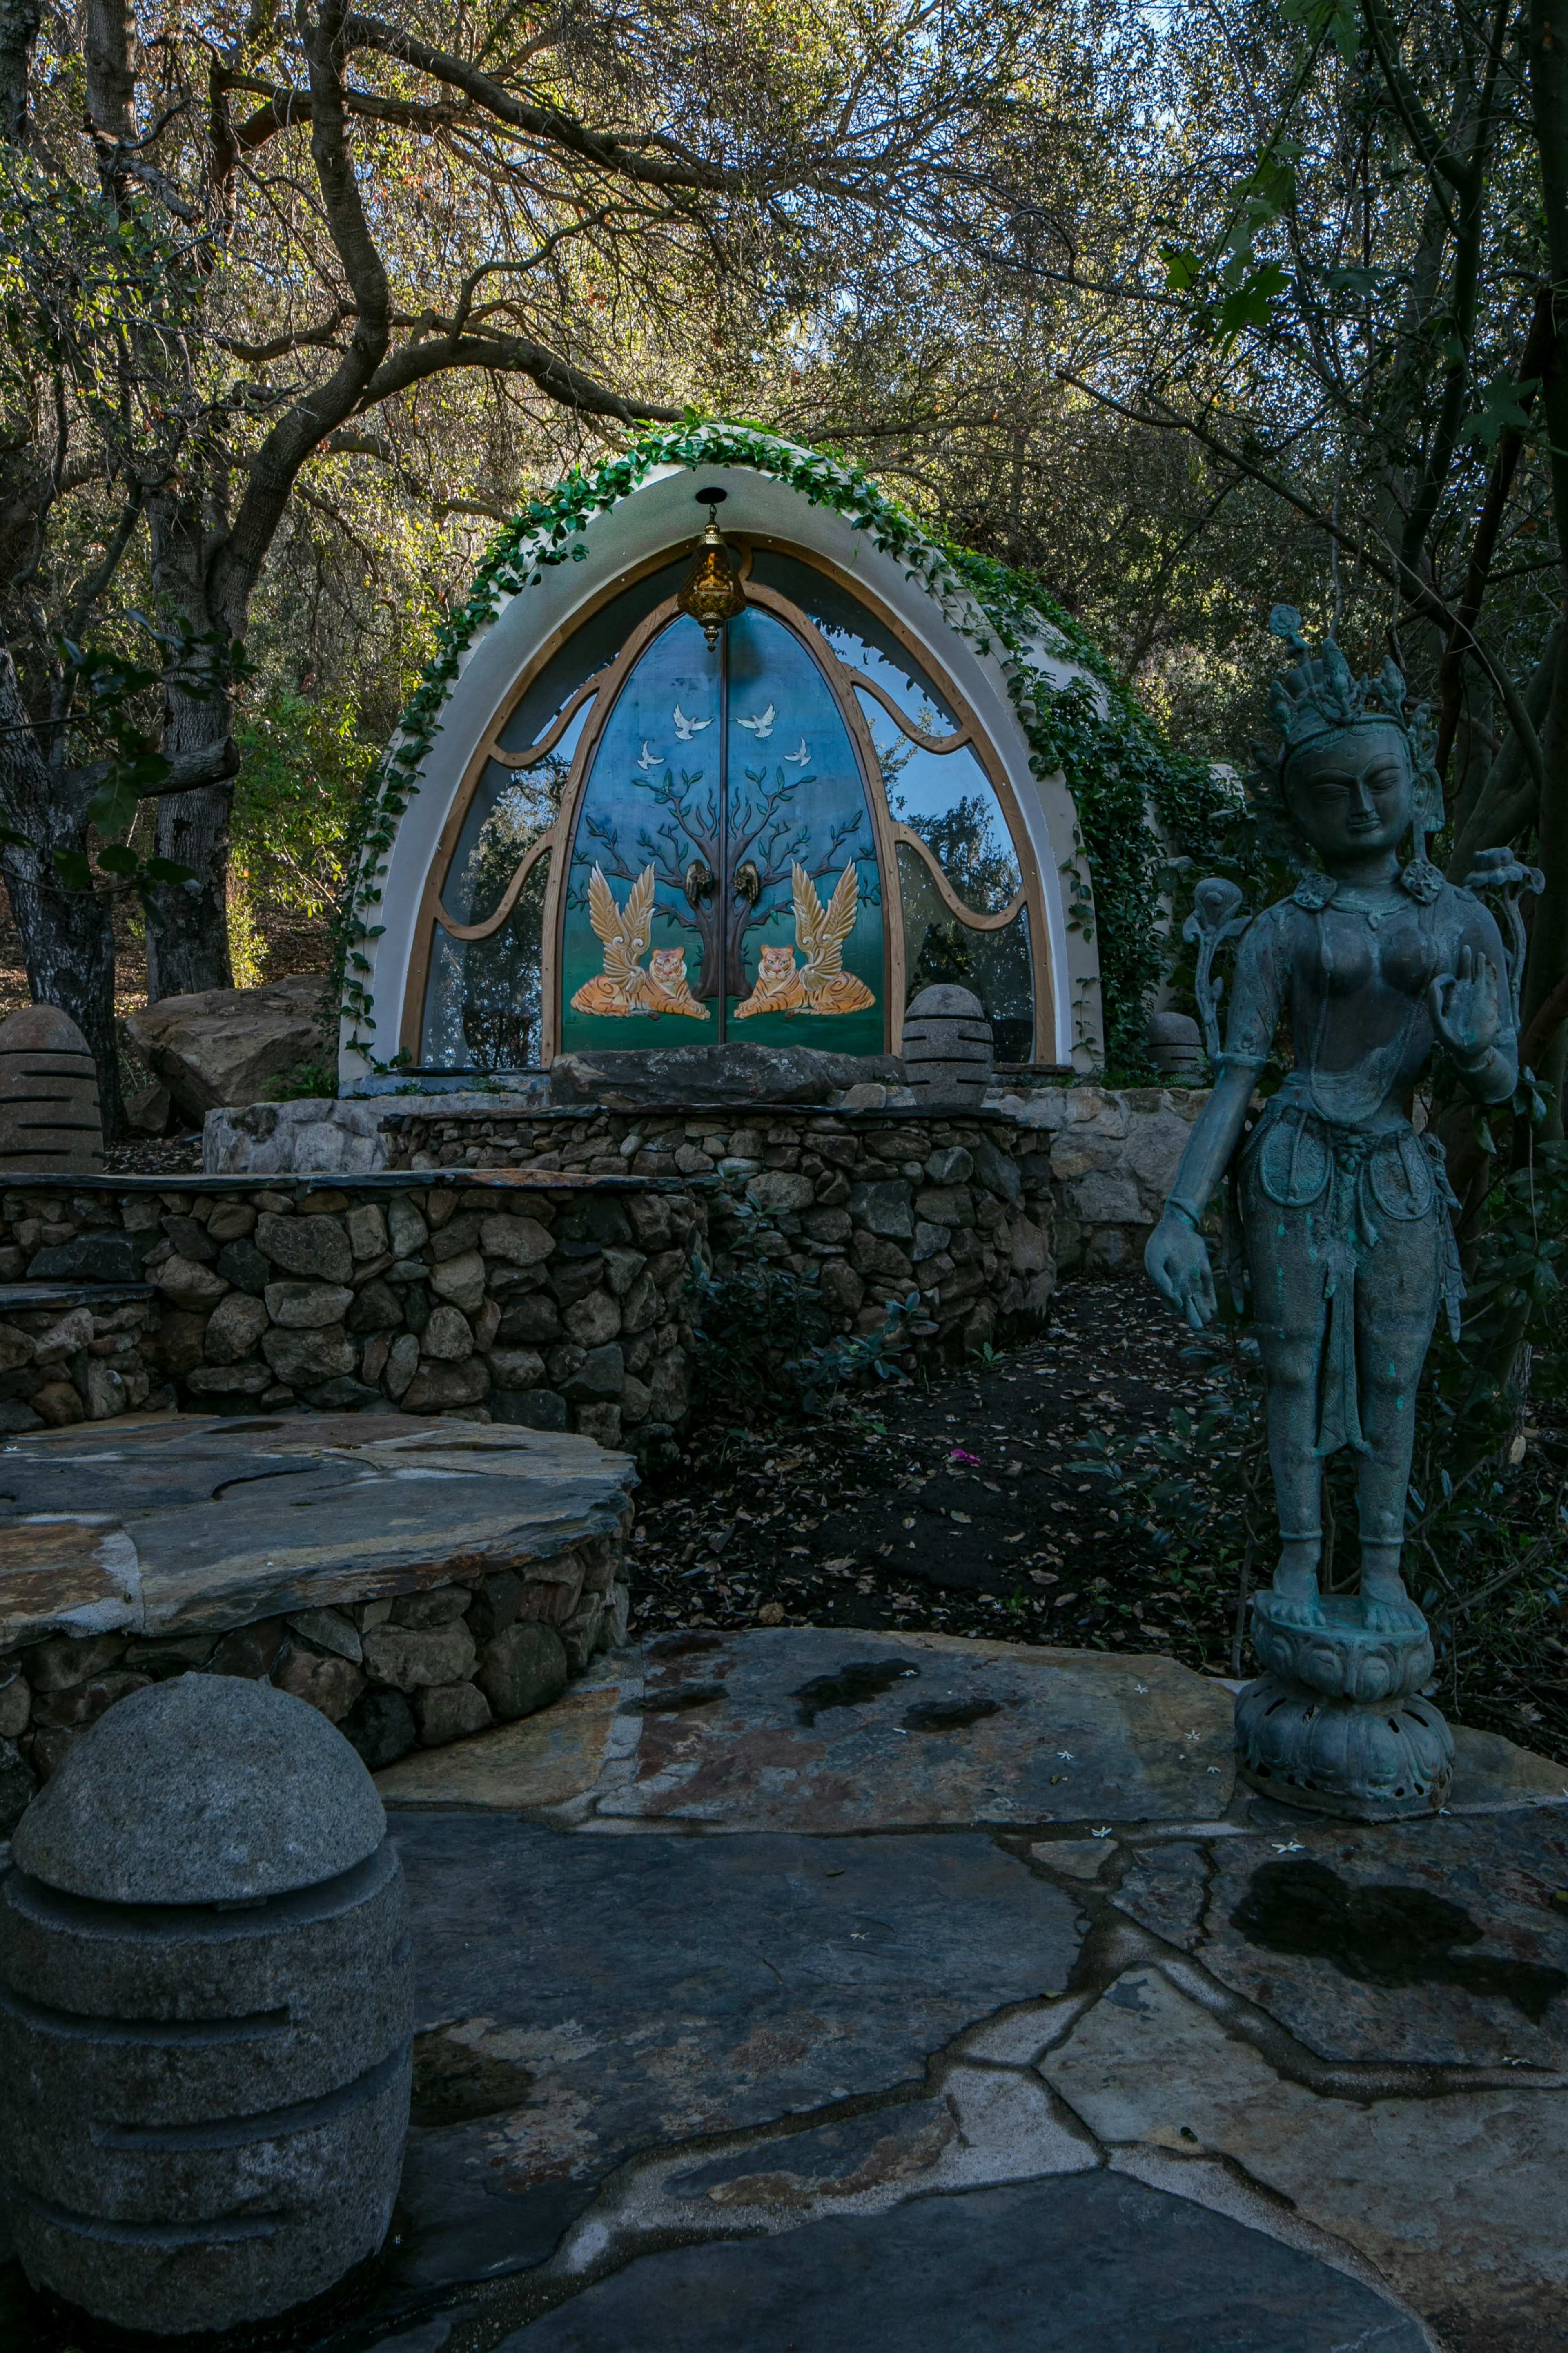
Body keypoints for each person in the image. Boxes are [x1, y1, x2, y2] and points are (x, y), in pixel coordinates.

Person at [1145, 612, 1517, 1636]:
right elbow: (1236, 1078)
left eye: (1379, 783)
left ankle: (1385, 1569)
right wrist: (1178, 1211)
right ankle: (1302, 1560)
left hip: (1399, 1163)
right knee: (1294, 1366)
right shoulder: (1281, 930)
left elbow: (1500, 1081)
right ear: (1297, 812)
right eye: (1332, 791)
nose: (1360, 806)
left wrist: (1478, 1048)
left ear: (1417, 786)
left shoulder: (1461, 922)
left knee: (1396, 1369)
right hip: (1293, 1163)